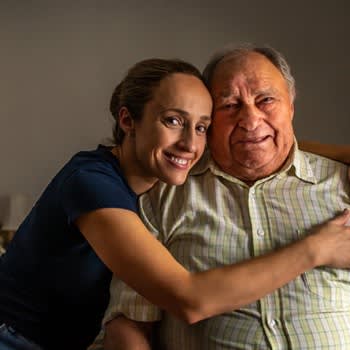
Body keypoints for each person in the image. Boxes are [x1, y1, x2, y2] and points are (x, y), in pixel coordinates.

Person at [0, 57, 348, 350]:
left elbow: (257, 136)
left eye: (201, 127)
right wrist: (315, 249)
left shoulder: (165, 167)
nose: (188, 143)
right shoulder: (91, 183)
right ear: (127, 120)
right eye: (173, 120)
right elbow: (189, 299)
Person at [102, 45, 350, 350]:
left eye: (266, 100)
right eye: (230, 105)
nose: (250, 119)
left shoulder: (342, 183)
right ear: (210, 119)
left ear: (291, 106)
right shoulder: (161, 197)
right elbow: (128, 325)